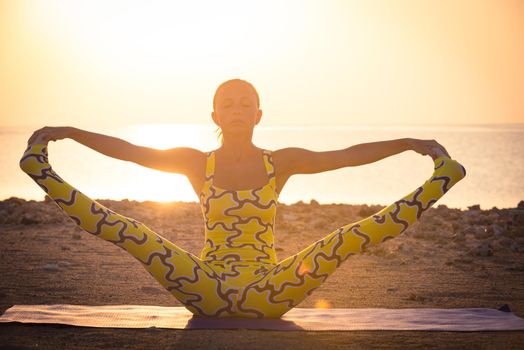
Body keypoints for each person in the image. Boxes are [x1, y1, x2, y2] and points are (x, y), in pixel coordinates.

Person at [20, 78, 466, 319]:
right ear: (215, 115)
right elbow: (132, 152)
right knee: (132, 232)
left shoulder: (281, 162)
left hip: (270, 290)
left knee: (348, 237)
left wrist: (408, 141)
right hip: (204, 287)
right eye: (227, 104)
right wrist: (73, 132)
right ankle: (39, 169)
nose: (236, 110)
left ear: (258, 115)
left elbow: (346, 157)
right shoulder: (198, 163)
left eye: (244, 103)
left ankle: (444, 177)